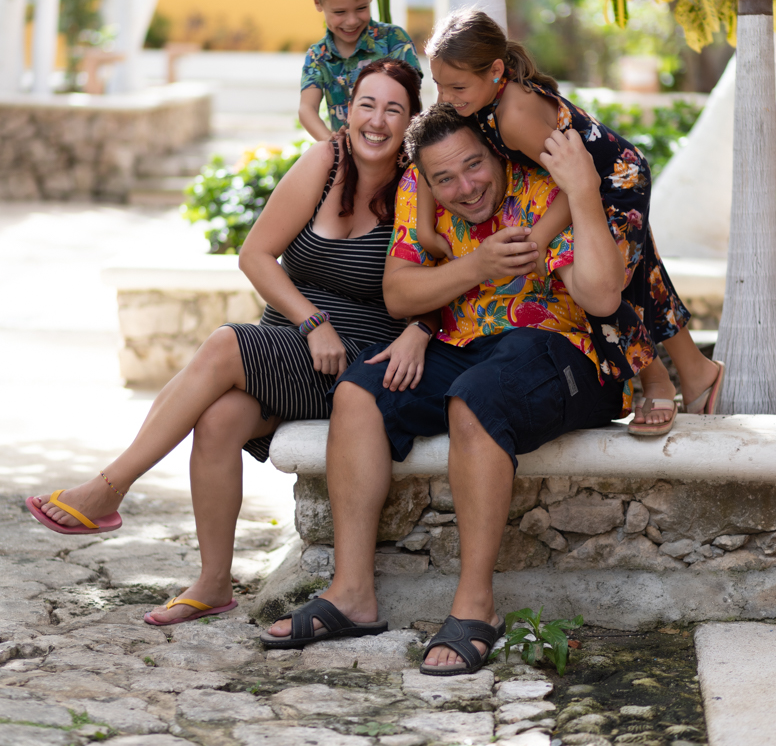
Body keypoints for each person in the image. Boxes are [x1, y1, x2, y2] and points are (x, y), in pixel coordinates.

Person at [27, 59, 432, 627]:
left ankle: (108, 489)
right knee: (218, 419)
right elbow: (255, 254)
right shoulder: (325, 160)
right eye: (367, 104)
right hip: (295, 342)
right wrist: (311, 322)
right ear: (347, 111)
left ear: (411, 119)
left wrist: (418, 330)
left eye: (394, 109)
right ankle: (213, 583)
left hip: (357, 362)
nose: (377, 120)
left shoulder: (419, 184)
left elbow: (447, 277)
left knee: (222, 345)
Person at [264, 104, 650, 670]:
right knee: (358, 392)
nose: (465, 188)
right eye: (445, 178)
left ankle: (476, 606)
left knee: (477, 396)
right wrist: (476, 268)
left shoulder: (542, 182)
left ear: (495, 151)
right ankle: (352, 595)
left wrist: (581, 194)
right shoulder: (417, 188)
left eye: (474, 166)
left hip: (563, 350)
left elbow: (601, 297)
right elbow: (399, 294)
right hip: (462, 345)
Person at [416, 9, 723, 436]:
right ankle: (696, 372)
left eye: (456, 86)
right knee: (641, 273)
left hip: (613, 184)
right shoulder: (475, 96)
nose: (446, 95)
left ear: (496, 71)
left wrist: (540, 237)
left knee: (598, 285)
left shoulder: (514, 117)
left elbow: (579, 182)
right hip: (583, 183)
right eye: (439, 84)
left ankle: (656, 381)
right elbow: (432, 136)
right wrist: (425, 225)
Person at [299, 0, 422, 141]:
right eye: (340, 12)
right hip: (350, 156)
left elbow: (411, 98)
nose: (352, 21)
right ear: (317, 2)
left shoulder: (394, 40)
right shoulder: (318, 55)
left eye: (361, 8)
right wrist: (333, 144)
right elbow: (307, 109)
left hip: (398, 151)